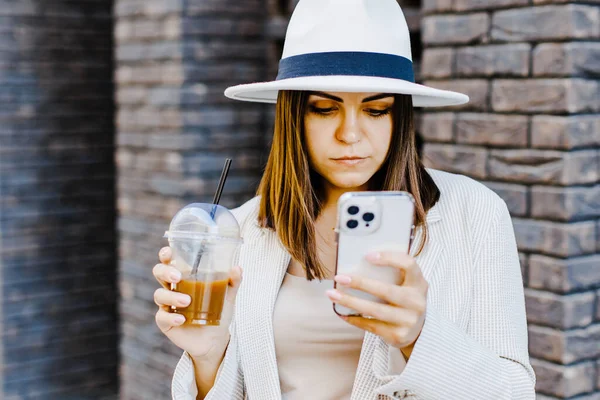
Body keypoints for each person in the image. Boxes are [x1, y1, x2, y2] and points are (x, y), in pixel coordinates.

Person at [152, 0, 536, 399]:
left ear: (399, 117)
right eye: (324, 108)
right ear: (293, 116)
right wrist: (208, 355)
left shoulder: (474, 212)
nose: (350, 134)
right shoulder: (245, 228)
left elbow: (515, 391)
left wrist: (420, 338)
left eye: (376, 110)